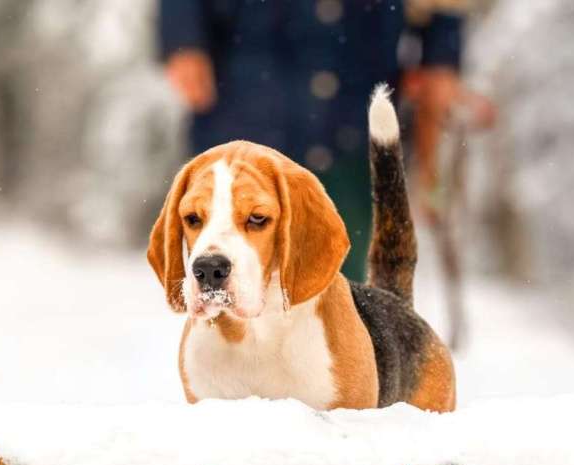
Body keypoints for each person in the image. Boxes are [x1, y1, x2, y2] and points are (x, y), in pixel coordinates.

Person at [159, 0, 464, 282]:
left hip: (353, 124)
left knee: (345, 281)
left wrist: (441, 56)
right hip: (244, 105)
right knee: (231, 282)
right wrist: (182, 38)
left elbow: (442, 11)